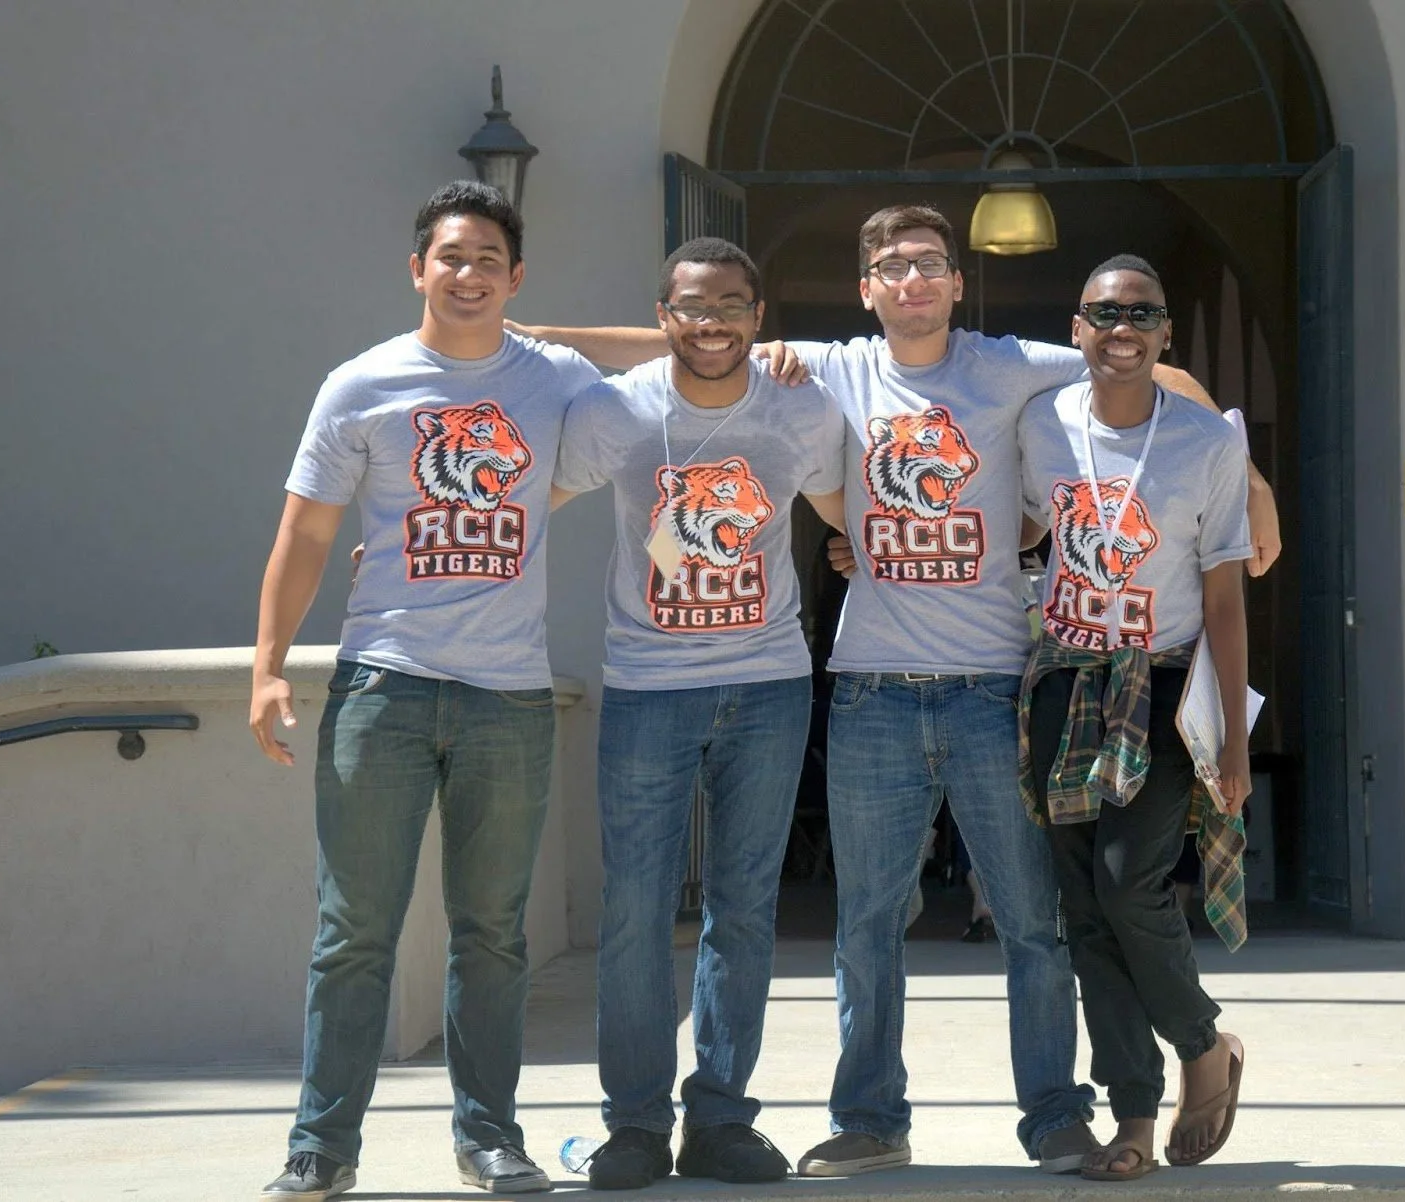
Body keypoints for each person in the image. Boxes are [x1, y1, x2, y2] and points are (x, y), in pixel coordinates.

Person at [505, 203, 1279, 1177]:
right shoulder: (831, 365)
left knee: (1033, 920)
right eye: (888, 265)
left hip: (992, 686)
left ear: (956, 282)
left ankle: (1053, 1113)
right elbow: (700, 327)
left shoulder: (1010, 364)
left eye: (927, 263)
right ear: (867, 288)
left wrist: (1249, 483)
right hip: (869, 683)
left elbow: (1144, 361)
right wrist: (537, 336)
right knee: (867, 919)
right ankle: (870, 1112)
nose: (909, 278)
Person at [248, 180, 600, 1201]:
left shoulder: (553, 375)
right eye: (452, 255)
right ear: (418, 268)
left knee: (493, 931)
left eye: (489, 257)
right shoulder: (361, 384)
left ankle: (489, 1136)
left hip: (508, 698)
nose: (468, 272)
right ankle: (322, 1143)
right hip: (384, 688)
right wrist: (268, 664)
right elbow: (305, 532)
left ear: (515, 276)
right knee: (354, 926)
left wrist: (548, 327)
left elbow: (671, 351)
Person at [548, 237, 846, 1190]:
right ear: (662, 315)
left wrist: (855, 551)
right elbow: (533, 498)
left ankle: (719, 1119)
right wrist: (385, 561)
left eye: (730, 304)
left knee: (743, 912)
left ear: (760, 317)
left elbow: (855, 512)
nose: (710, 321)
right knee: (636, 911)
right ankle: (634, 1123)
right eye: (691, 305)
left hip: (768, 684)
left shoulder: (800, 403)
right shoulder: (617, 410)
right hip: (647, 686)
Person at [1018, 254, 1250, 1182]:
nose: (1122, 328)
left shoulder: (1207, 443)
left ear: (1165, 336)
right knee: (1082, 911)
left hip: (1160, 688)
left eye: (1141, 313)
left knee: (1128, 884)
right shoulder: (1040, 424)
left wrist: (1234, 738)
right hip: (1064, 684)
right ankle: (1135, 1116)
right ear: (1075, 329)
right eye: (1103, 313)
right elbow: (1019, 527)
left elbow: (1226, 599)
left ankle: (1203, 1044)